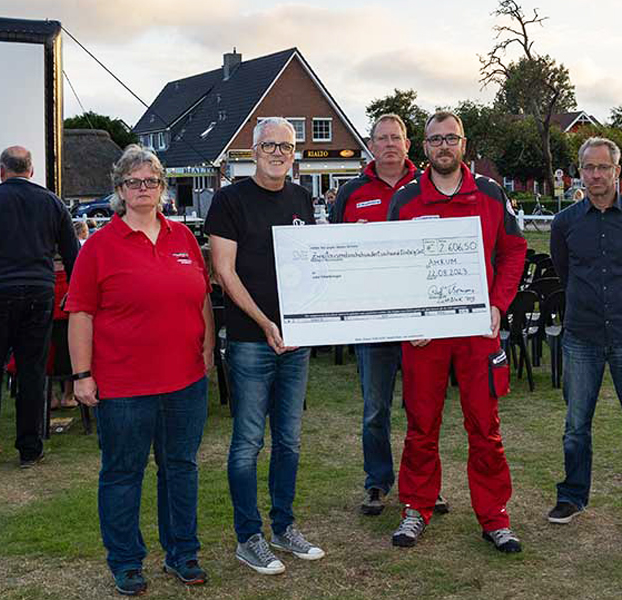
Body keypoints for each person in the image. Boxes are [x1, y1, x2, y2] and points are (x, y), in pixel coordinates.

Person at [67, 145, 213, 596]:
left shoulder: (184, 238)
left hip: (185, 381)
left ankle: (182, 553)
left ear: (163, 188)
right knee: (123, 472)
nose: (143, 188)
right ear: (120, 190)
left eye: (151, 181)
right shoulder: (98, 247)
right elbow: (80, 314)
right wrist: (81, 374)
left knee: (181, 468)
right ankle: (127, 562)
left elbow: (202, 298)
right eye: (134, 182)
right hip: (124, 384)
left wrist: (207, 349)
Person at [385, 110, 527, 551]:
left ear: (464, 144)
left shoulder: (489, 193)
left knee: (485, 426)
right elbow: (389, 265)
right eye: (434, 140)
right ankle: (416, 507)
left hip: (475, 332)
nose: (443, 146)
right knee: (421, 424)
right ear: (423, 148)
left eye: (451, 138)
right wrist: (409, 318)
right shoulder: (405, 200)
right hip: (424, 335)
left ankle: (494, 516)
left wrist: (499, 306)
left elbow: (513, 252)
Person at [204, 116, 323, 575]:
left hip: (297, 341)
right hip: (253, 340)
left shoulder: (300, 198)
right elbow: (224, 272)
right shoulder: (229, 200)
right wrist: (265, 322)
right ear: (252, 151)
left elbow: (310, 266)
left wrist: (310, 320)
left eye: (286, 147)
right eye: (270, 145)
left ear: (294, 155)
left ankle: (283, 527)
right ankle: (248, 536)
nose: (278, 153)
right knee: (248, 442)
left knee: (289, 441)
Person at [547, 136, 622, 539]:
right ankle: (573, 496)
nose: (596, 174)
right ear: (579, 171)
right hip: (581, 337)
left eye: (603, 167)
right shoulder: (565, 223)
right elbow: (565, 274)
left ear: (617, 172)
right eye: (589, 167)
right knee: (575, 426)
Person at [0, 146, 79, 469]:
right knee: (33, 371)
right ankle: (30, 447)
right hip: (39, 292)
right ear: (31, 170)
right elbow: (73, 252)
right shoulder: (52, 202)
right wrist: (74, 290)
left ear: (1, 170)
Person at [329, 113, 428, 516]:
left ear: (408, 144)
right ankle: (378, 481)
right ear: (370, 144)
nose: (389, 144)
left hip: (422, 319)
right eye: (381, 138)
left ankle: (425, 484)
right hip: (371, 320)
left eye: (396, 137)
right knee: (375, 409)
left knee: (423, 408)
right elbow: (333, 251)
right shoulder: (350, 193)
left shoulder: (427, 187)